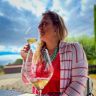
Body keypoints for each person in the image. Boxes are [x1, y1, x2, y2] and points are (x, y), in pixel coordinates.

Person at [21, 10, 88, 96]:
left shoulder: (74, 49)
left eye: (44, 23)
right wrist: (26, 59)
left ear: (56, 28)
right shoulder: (37, 53)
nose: (39, 27)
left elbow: (78, 83)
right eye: (39, 24)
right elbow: (26, 80)